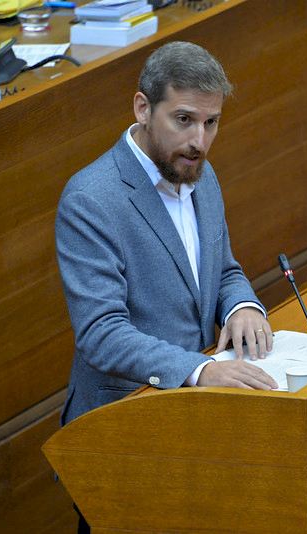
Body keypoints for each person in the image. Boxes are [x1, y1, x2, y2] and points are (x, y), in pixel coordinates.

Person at [55, 41, 278, 428]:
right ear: (143, 108)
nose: (199, 141)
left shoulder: (199, 173)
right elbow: (101, 334)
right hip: (124, 416)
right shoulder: (90, 201)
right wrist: (199, 370)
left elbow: (222, 270)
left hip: (193, 409)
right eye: (184, 119)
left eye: (211, 123)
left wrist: (241, 306)